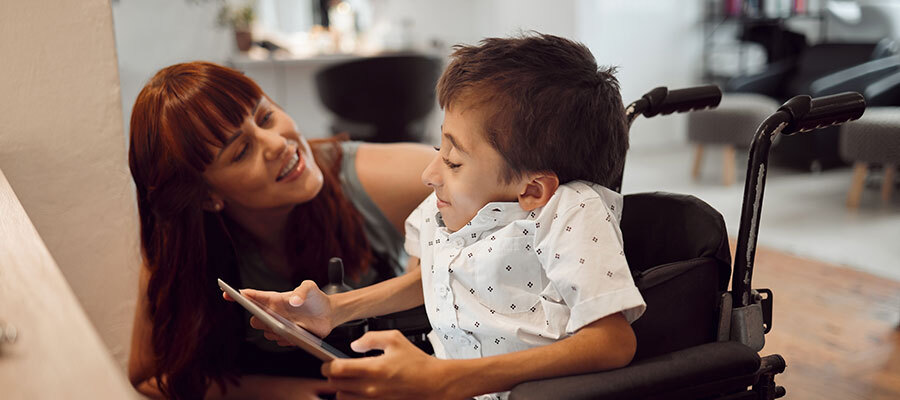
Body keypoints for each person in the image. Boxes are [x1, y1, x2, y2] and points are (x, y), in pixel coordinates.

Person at [239, 33, 647, 399]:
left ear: (532, 190)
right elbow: (429, 278)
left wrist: (450, 378)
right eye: (439, 150)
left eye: (452, 160)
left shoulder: (570, 212)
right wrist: (334, 309)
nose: (428, 174)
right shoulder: (444, 208)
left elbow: (611, 342)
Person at [126, 61, 433, 399]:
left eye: (265, 117)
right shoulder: (182, 248)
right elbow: (149, 375)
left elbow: (488, 181)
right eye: (242, 151)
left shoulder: (372, 178)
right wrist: (280, 391)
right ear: (207, 197)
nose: (277, 144)